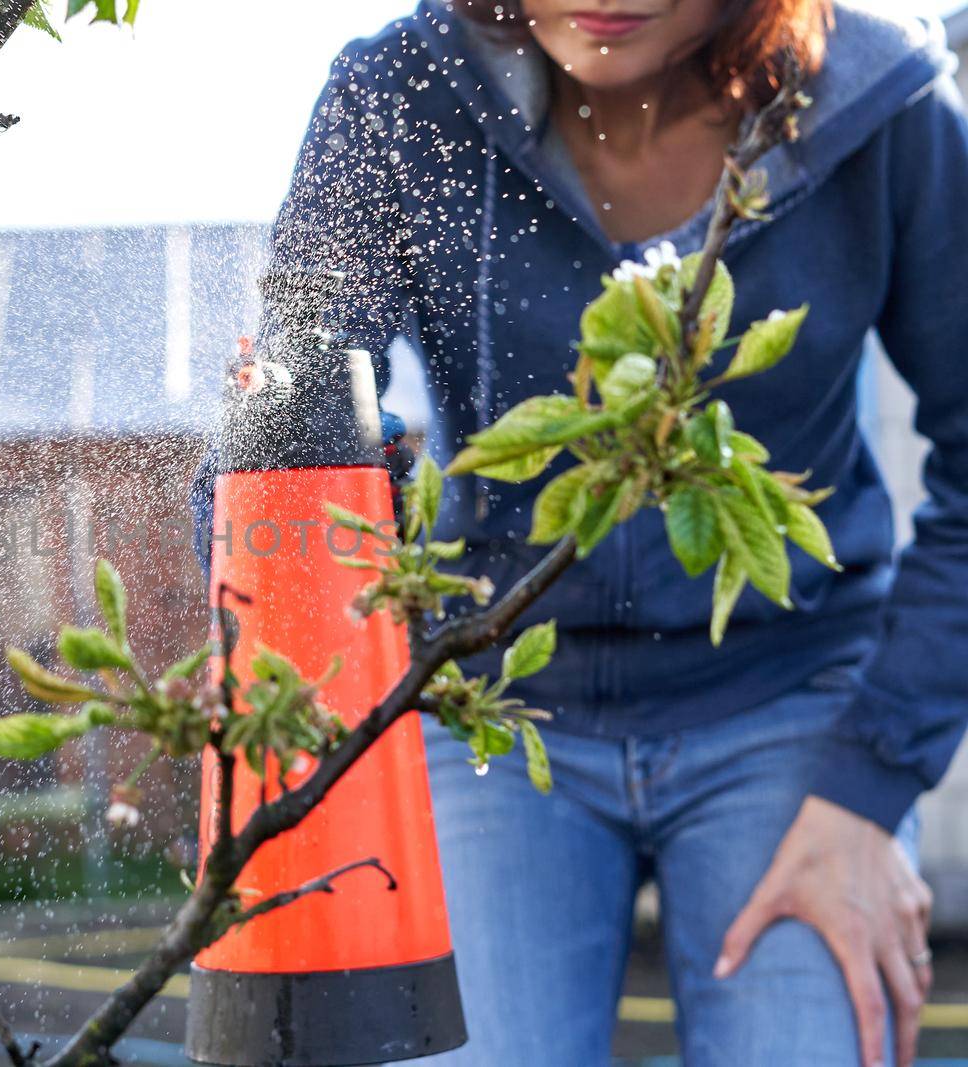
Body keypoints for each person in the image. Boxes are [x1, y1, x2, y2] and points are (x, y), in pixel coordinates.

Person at [190, 1, 968, 1063]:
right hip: (491, 713)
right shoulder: (399, 99)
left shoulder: (878, 109)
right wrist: (285, 646)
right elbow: (291, 403)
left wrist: (869, 790)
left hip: (794, 712)